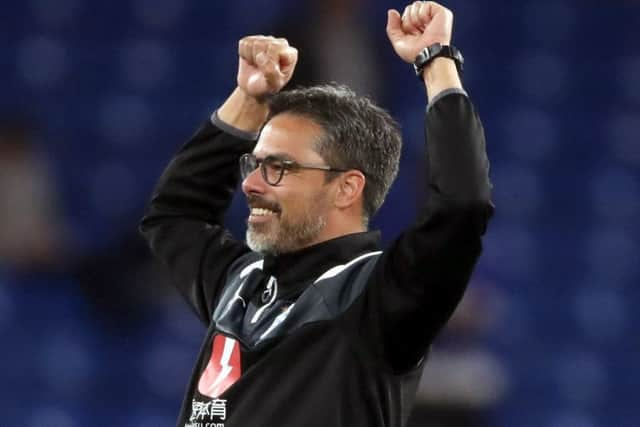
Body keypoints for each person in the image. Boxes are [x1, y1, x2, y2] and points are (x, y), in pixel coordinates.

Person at [140, 1, 493, 426]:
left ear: (347, 188)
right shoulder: (241, 284)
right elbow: (175, 213)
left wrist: (435, 60)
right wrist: (249, 99)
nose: (250, 184)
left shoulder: (379, 301)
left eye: (279, 168)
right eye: (254, 164)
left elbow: (461, 205)